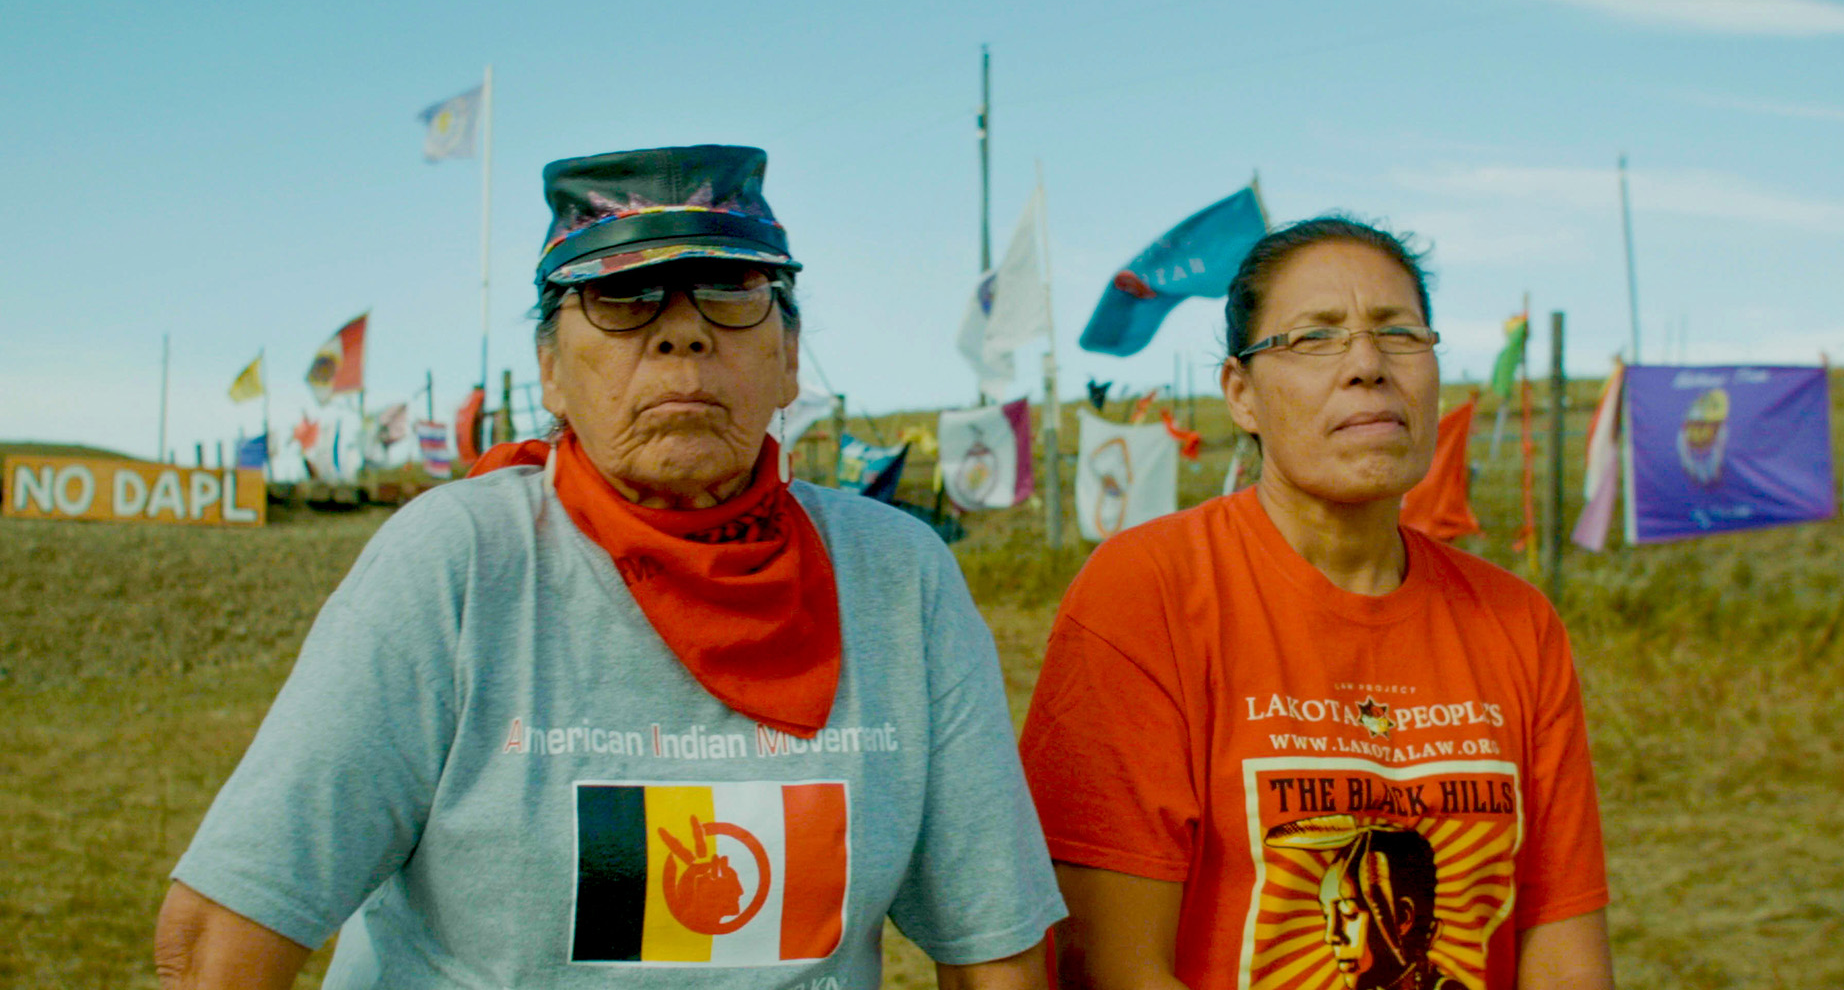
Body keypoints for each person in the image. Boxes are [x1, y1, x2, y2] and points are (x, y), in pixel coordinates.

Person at [156, 145, 1065, 989]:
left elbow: (1001, 945)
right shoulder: (459, 564)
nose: (683, 335)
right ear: (550, 372)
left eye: (730, 291)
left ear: (790, 358)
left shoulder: (899, 579)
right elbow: (223, 931)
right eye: (623, 301)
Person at [1019, 217, 1612, 990]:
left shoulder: (1517, 622)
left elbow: (1564, 952)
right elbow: (1106, 963)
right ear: (1241, 395)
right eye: (1314, 339)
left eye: (1399, 334)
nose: (1367, 365)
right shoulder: (1151, 590)